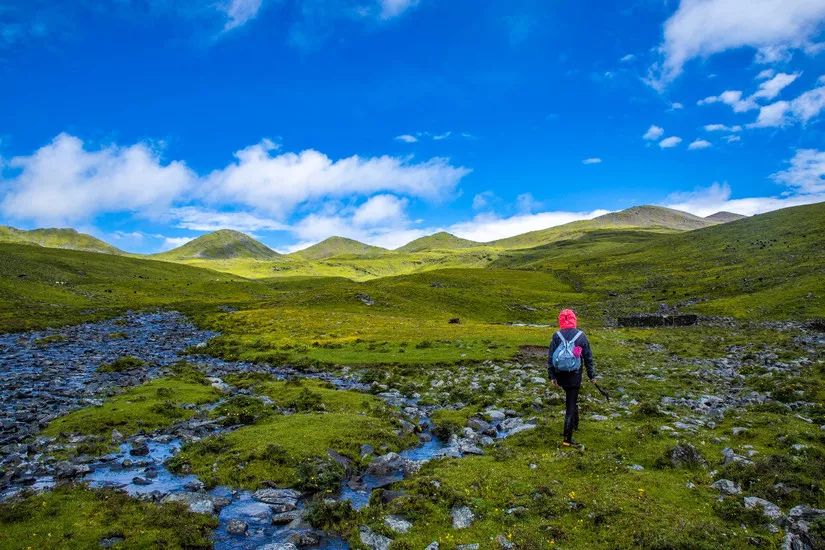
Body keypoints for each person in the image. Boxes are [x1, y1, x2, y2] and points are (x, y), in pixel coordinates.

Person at [548, 308, 598, 448]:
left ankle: (575, 424)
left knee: (571, 399)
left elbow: (551, 356)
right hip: (575, 375)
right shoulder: (581, 336)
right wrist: (591, 375)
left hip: (560, 375)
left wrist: (551, 375)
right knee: (570, 404)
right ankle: (567, 439)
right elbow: (587, 358)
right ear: (574, 319)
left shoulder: (556, 336)